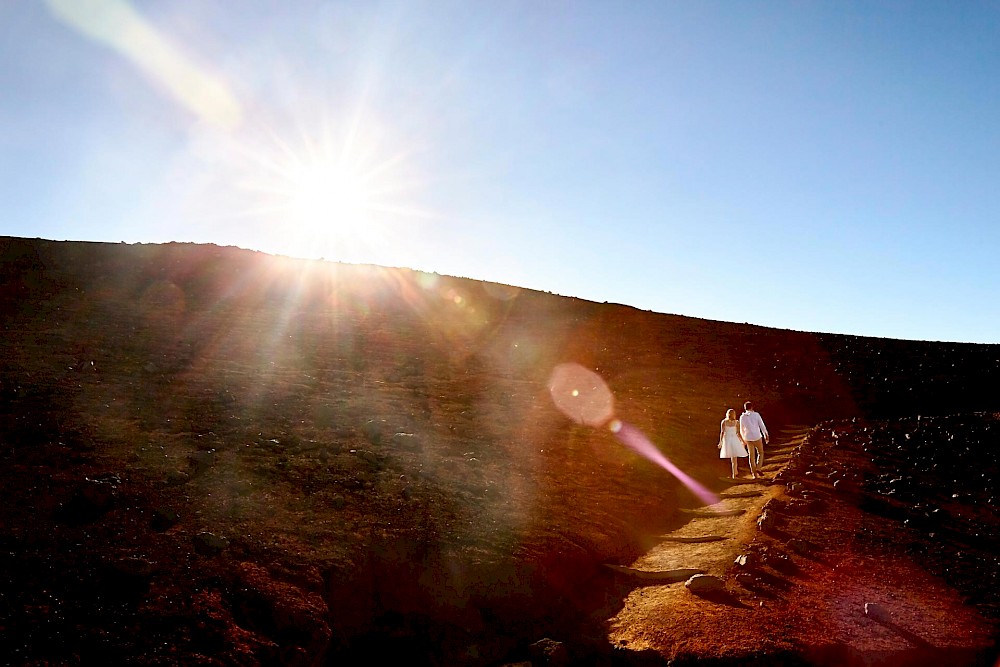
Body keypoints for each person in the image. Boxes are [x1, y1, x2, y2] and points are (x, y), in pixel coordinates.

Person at [739, 401, 769, 478]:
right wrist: (766, 435)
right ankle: (758, 468)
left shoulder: (742, 417)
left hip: (748, 438)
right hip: (757, 436)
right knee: (760, 453)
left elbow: (741, 429)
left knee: (751, 456)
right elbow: (762, 425)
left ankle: (754, 475)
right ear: (752, 407)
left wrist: (743, 440)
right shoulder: (756, 415)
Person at [718, 408, 750, 479]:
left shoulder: (724, 422)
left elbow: (722, 433)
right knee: (734, 458)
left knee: (733, 458)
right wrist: (742, 441)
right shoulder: (736, 422)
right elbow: (738, 433)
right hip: (734, 439)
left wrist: (721, 441)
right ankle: (734, 474)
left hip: (727, 440)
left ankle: (734, 473)